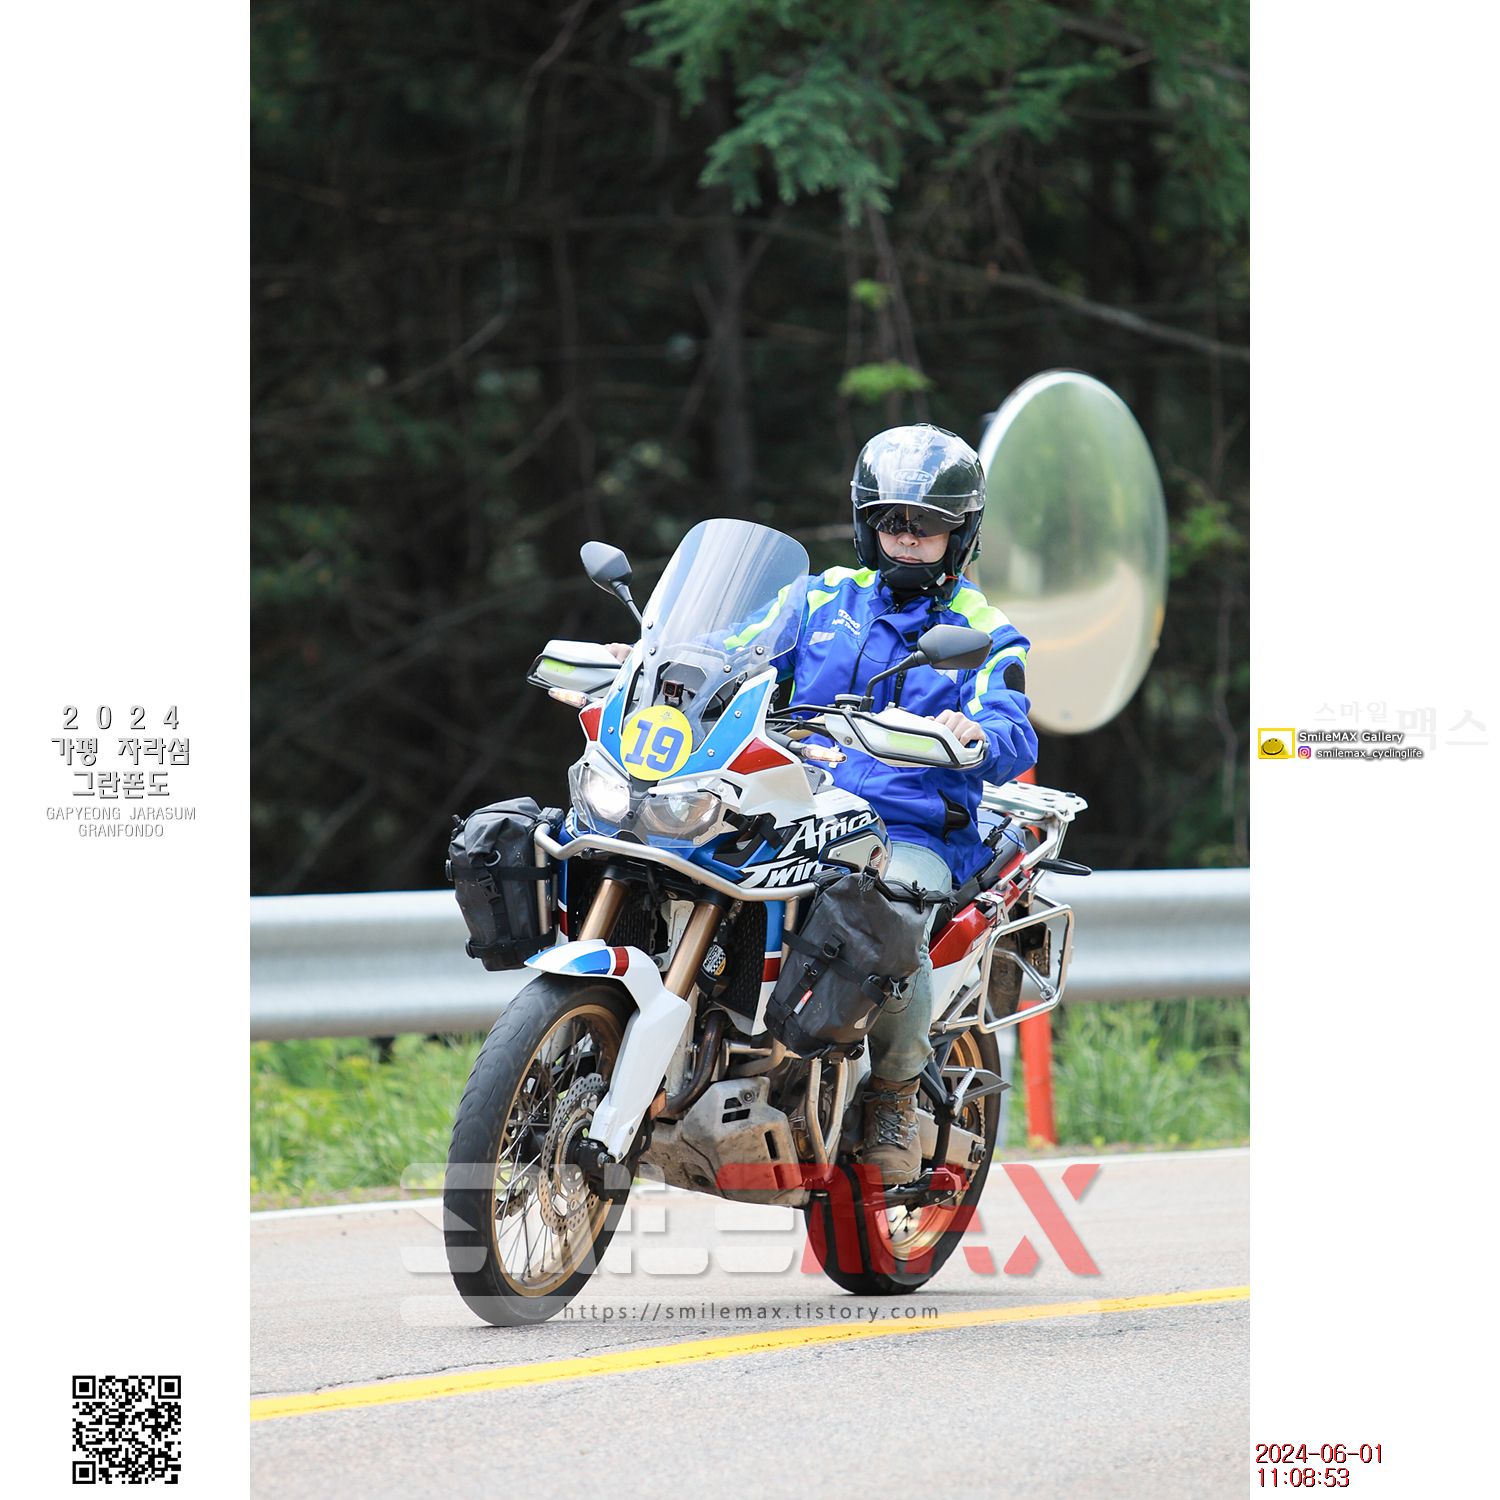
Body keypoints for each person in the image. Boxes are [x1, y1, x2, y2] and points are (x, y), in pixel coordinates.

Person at [608, 424, 1037, 1182]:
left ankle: (894, 1093)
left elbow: (1011, 724)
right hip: (795, 797)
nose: (908, 537)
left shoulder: (983, 630)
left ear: (961, 532)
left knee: (889, 910)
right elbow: (732, 647)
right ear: (868, 524)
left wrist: (977, 732)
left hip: (908, 827)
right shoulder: (818, 596)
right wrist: (654, 661)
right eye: (892, 520)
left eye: (928, 524)